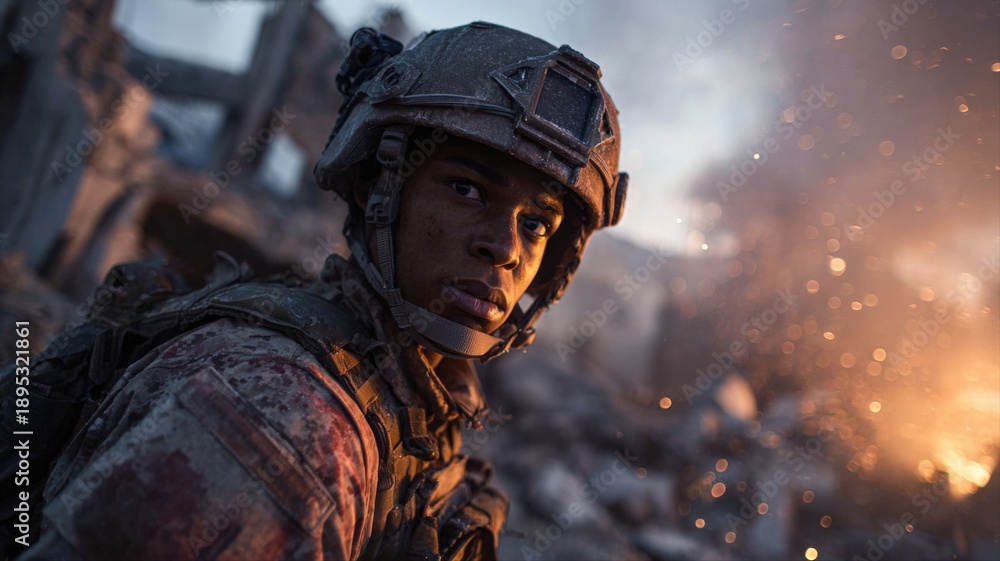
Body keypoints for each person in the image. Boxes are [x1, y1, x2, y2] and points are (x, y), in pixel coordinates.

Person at [10, 21, 627, 560]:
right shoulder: (287, 426)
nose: (506, 247)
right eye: (467, 189)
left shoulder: (409, 387)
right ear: (376, 188)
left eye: (536, 223)